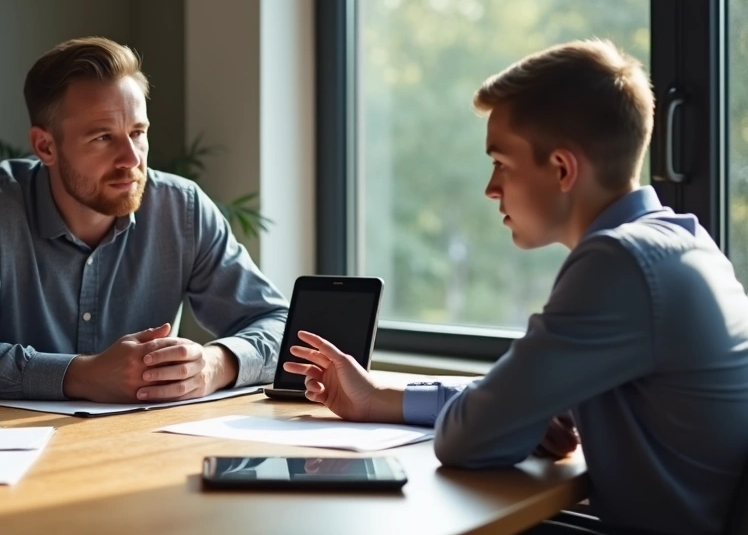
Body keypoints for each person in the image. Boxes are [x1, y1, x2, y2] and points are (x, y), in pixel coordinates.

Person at [282, 39, 748, 535]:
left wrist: (510, 417)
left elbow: (467, 440)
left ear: (563, 169)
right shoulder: (679, 242)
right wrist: (377, 397)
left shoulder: (619, 264)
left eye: (501, 163)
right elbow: (502, 400)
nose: (491, 188)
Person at [0, 36, 288, 402]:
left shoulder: (182, 208)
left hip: (139, 437)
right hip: (7, 438)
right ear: (45, 146)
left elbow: (279, 324)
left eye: (137, 132)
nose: (132, 159)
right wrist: (81, 375)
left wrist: (216, 364)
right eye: (103, 137)